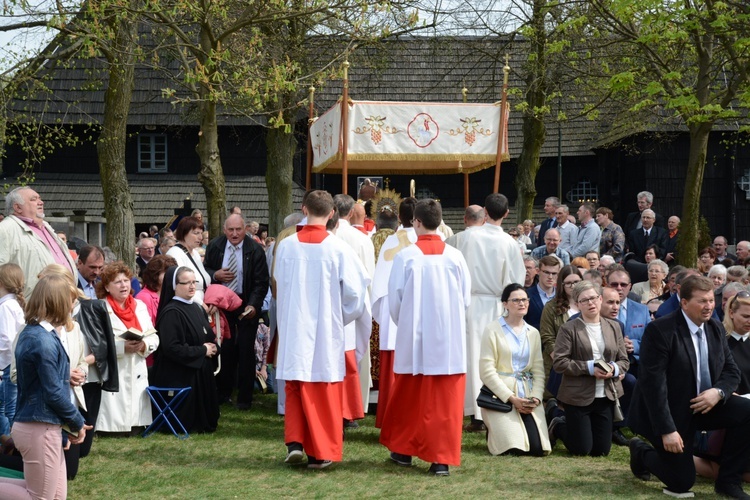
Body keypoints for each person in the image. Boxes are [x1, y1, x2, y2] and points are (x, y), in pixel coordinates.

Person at [629, 276, 750, 498]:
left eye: (711, 300)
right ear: (684, 303)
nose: (709, 306)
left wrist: (718, 392)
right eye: (702, 301)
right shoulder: (660, 331)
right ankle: (641, 452)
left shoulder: (714, 328)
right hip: (669, 413)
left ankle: (728, 481)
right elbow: (653, 386)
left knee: (747, 410)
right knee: (681, 482)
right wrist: (667, 430)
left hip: (704, 405)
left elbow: (731, 371)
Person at [275, 190, 369, 469]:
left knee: (295, 383)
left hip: (294, 325)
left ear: (304, 210)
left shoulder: (287, 246)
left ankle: (295, 441)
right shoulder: (338, 248)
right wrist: (339, 317)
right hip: (325, 328)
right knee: (323, 389)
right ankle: (320, 452)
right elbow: (356, 295)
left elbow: (279, 283)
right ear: (332, 215)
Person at [381, 199, 471, 476]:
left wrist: (407, 323)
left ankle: (404, 450)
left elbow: (394, 301)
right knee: (443, 402)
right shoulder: (455, 256)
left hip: (414, 338)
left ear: (416, 222)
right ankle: (439, 459)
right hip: (448, 340)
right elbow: (465, 298)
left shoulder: (406, 257)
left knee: (410, 396)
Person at [0, 274, 90, 498]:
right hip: (38, 428)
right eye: (70, 300)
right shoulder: (41, 339)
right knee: (39, 497)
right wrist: (76, 422)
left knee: (55, 496)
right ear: (58, 301)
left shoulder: (41, 334)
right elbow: (53, 393)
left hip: (42, 426)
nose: (73, 305)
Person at [451, 193, 525, 432]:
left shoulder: (463, 238)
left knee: (471, 356)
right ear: (506, 214)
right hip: (497, 304)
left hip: (469, 303)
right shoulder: (510, 244)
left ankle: (474, 412)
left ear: (485, 210)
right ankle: (491, 409)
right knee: (495, 357)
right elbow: (516, 282)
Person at [548, 281, 629, 456]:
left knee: (601, 451)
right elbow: (560, 363)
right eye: (584, 300)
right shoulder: (568, 329)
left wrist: (613, 370)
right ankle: (558, 425)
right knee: (582, 450)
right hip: (577, 396)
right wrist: (590, 368)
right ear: (577, 305)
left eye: (593, 298)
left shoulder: (614, 327)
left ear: (600, 299)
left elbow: (624, 361)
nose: (590, 303)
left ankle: (583, 431)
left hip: (605, 395)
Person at [204, 213, 269, 410]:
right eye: (230, 230)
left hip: (245, 303)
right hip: (222, 304)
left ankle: (245, 398)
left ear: (245, 229)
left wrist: (253, 305)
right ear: (224, 230)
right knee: (226, 348)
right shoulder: (215, 246)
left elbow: (261, 282)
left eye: (238, 230)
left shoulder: (255, 249)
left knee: (246, 350)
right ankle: (223, 393)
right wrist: (214, 274)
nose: (234, 234)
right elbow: (203, 270)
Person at [479, 283, 551, 456]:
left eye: (525, 299)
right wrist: (511, 398)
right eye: (516, 300)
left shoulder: (533, 332)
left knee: (538, 449)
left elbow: (538, 370)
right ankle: (495, 429)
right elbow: (486, 371)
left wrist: (535, 398)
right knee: (513, 448)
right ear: (505, 304)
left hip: (527, 393)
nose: (522, 303)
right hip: (501, 396)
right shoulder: (492, 330)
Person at [152, 266, 220, 433]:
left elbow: (209, 337)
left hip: (199, 368)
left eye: (194, 282)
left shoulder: (197, 308)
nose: (192, 287)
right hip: (179, 371)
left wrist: (214, 348)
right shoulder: (171, 312)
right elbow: (171, 348)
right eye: (186, 283)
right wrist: (202, 351)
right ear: (174, 286)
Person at [692, 291, 750, 484]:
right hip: (727, 411)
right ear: (731, 313)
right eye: (746, 316)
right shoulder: (718, 340)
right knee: (718, 471)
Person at [371, 198, 418, 430]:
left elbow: (379, 285)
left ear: (400, 217)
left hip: (393, 312)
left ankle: (391, 420)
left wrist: (385, 316)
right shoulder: (429, 240)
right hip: (421, 314)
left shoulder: (390, 241)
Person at [96, 262, 159, 434]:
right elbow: (95, 344)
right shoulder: (100, 308)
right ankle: (111, 430)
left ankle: (136, 426)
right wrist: (121, 348)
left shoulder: (140, 306)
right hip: (115, 368)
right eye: (117, 282)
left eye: (126, 280)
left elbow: (153, 335)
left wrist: (144, 344)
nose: (123, 285)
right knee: (115, 405)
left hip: (137, 364)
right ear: (107, 287)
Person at [0, 186, 77, 296]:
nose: (40, 202)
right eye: (33, 199)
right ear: (18, 207)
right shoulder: (5, 229)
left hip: (66, 302)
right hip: (32, 307)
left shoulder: (45, 226)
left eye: (39, 198)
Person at [539, 265, 583, 399]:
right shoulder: (551, 307)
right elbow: (547, 337)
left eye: (576, 282)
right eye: (568, 283)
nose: (573, 286)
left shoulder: (588, 303)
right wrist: (561, 360)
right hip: (559, 364)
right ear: (561, 285)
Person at [0, 264, 25, 439]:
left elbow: (7, 340)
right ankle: (6, 441)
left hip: (9, 365)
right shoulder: (12, 304)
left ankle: (14, 445)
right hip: (12, 364)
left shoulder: (6, 306)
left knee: (10, 409)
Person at [167, 216, 212, 306]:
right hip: (188, 306)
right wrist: (202, 304)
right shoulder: (174, 254)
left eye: (201, 233)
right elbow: (180, 286)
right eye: (196, 233)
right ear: (184, 233)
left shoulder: (195, 253)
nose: (200, 238)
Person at [135, 255, 178, 324]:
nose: (170, 275)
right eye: (166, 272)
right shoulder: (144, 297)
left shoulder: (175, 292)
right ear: (155, 274)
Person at [526, 256, 559, 331]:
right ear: (538, 271)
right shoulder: (527, 295)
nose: (550, 277)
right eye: (546, 272)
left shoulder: (562, 295)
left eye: (554, 273)